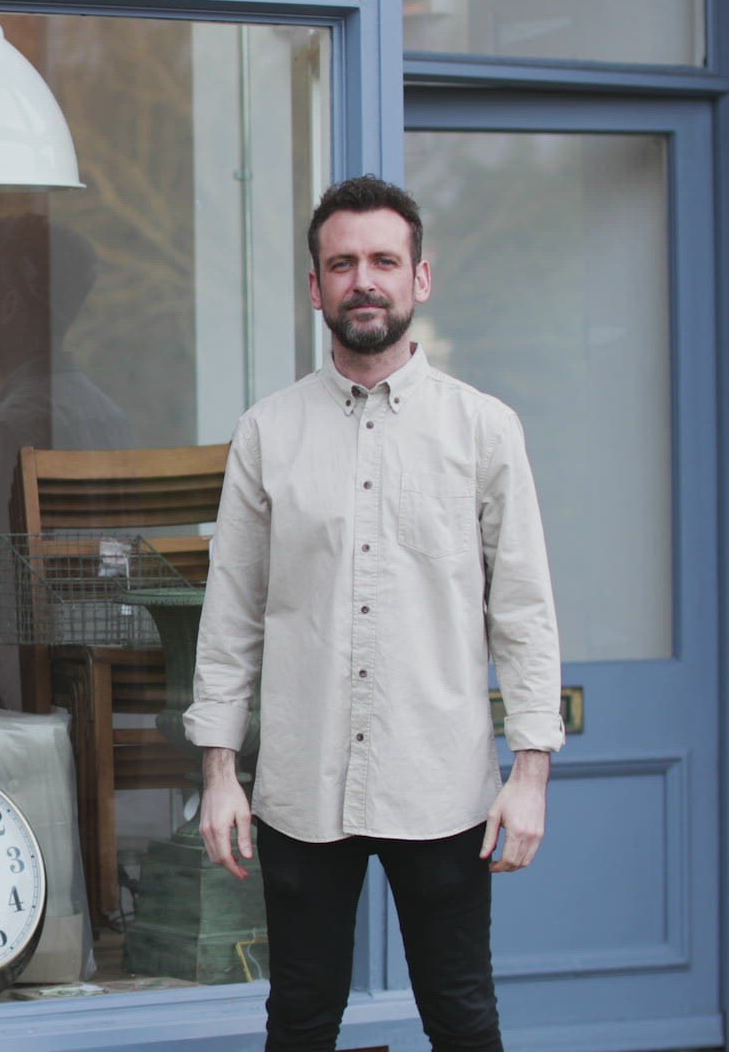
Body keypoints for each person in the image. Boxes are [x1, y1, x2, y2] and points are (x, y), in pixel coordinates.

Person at [184, 176, 563, 1052]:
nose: (365, 281)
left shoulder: (483, 430)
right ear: (315, 287)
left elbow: (524, 611)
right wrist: (219, 772)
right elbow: (231, 613)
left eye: (384, 261)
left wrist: (531, 773)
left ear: (419, 278)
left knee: (463, 1018)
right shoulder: (267, 433)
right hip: (301, 785)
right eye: (343, 264)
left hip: (443, 784)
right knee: (300, 1019)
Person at [0, 214, 132, 707]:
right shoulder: (107, 415)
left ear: (10, 305)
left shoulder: (8, 429)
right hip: (103, 686)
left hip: (21, 697)